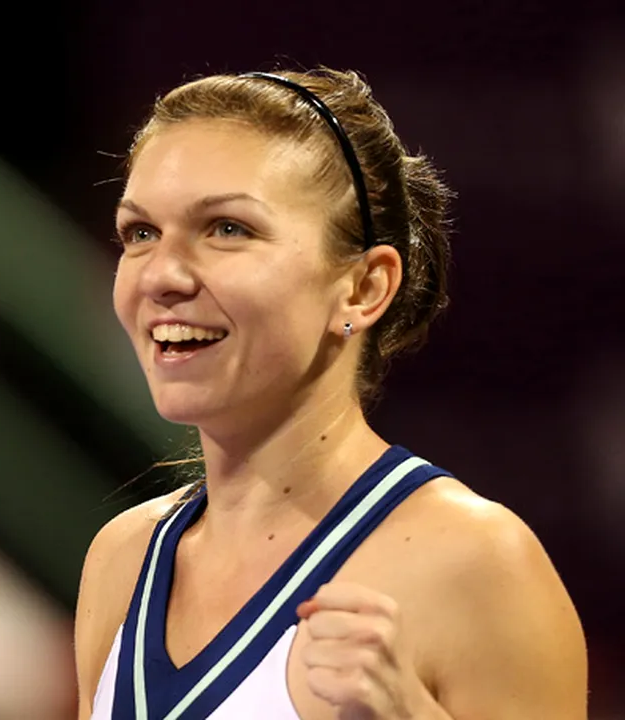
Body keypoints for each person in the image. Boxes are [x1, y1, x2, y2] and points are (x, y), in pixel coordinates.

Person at [75, 67, 588, 720]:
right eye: (140, 233)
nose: (164, 275)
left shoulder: (478, 564)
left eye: (228, 228)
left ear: (363, 287)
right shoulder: (124, 560)